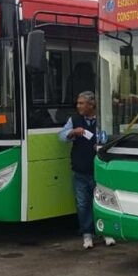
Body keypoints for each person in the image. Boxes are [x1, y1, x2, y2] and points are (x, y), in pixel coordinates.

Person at [58, 91, 115, 249]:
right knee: (83, 204)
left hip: (100, 170)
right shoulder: (74, 120)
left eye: (81, 103)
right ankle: (87, 234)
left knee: (103, 202)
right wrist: (72, 132)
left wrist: (102, 146)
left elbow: (110, 138)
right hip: (81, 171)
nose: (78, 106)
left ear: (91, 105)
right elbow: (61, 136)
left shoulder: (103, 120)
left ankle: (106, 231)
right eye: (78, 103)